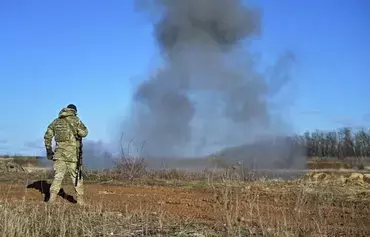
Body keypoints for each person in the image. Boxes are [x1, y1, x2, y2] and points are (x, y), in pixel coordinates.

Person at [44, 104, 88, 205]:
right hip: (73, 156)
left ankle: (52, 199)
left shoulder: (56, 122)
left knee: (58, 177)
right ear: (74, 111)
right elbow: (84, 133)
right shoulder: (76, 120)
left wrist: (49, 151)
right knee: (76, 177)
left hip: (59, 155)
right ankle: (80, 201)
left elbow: (47, 136)